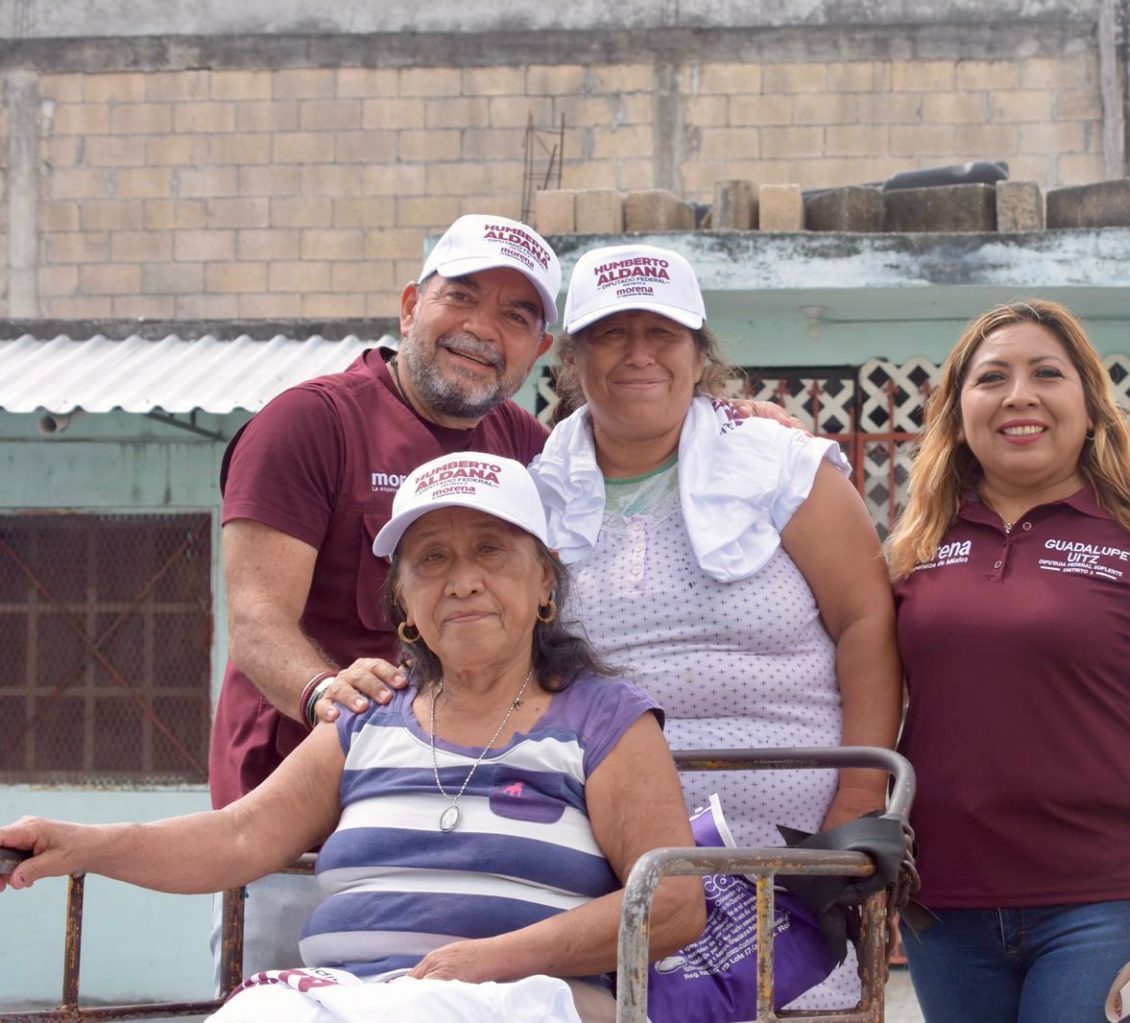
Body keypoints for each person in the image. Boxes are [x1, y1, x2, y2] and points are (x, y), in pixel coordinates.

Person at [1, 454, 705, 1023]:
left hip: (526, 998)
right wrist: (84, 844)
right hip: (348, 998)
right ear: (402, 602)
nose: (463, 580)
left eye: (490, 550)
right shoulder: (370, 715)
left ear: (545, 581)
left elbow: (673, 902)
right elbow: (241, 837)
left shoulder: (604, 720)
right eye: (431, 559)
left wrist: (489, 958)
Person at [528, 243, 903, 1010]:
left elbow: (869, 622)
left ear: (700, 356)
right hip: (613, 860)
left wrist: (859, 799)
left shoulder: (783, 468)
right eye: (611, 334)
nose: (639, 355)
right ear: (572, 360)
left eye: (662, 334)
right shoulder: (534, 498)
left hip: (790, 855)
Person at [210, 213, 562, 973]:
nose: (482, 328)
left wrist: (735, 415)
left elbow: (645, 440)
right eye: (461, 297)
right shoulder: (310, 423)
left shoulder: (535, 451)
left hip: (468, 830)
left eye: (516, 314)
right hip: (304, 840)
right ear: (410, 306)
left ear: (541, 349)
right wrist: (324, 693)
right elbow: (257, 620)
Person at [884, 300, 1130, 1023]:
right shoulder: (914, 548)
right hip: (943, 904)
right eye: (991, 378)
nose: (1020, 394)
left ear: (1090, 406)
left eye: (1047, 372)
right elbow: (873, 705)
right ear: (959, 411)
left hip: (1102, 899)